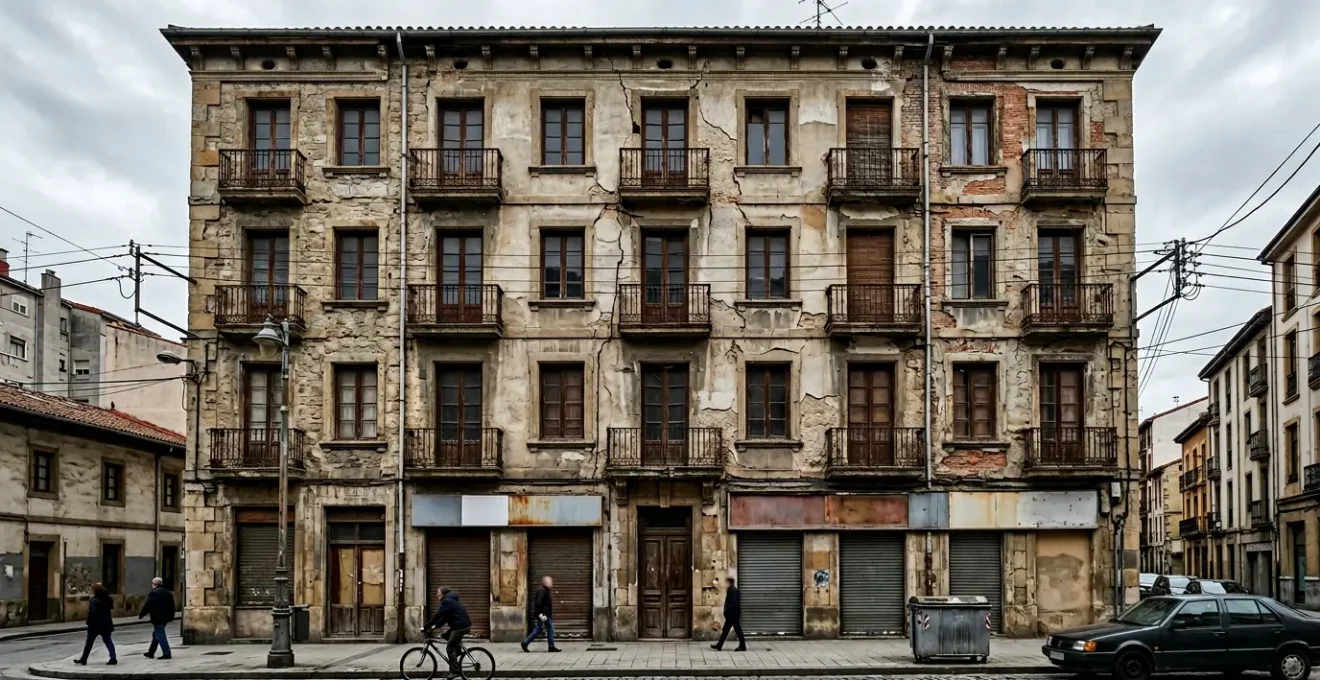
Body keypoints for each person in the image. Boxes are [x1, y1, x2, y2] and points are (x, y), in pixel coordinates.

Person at [424, 587, 471, 679]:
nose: (437, 595)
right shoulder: (450, 601)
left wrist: (425, 627)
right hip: (461, 625)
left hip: (460, 627)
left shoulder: (447, 601)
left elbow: (437, 615)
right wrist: (434, 627)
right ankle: (457, 652)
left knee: (449, 647)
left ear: (443, 594)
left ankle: (455, 671)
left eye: (438, 593)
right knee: (445, 635)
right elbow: (444, 618)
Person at [74, 583, 117, 665]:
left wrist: (88, 622)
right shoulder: (108, 599)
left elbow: (92, 612)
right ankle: (113, 658)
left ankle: (84, 659)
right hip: (106, 623)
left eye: (93, 589)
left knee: (89, 643)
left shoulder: (94, 600)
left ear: (95, 591)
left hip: (95, 624)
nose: (92, 591)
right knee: (108, 641)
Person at [521, 575, 560, 653]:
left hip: (546, 614)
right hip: (544, 615)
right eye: (550, 582)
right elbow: (538, 603)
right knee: (543, 629)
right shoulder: (541, 590)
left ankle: (551, 646)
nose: (551, 583)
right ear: (545, 582)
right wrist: (540, 614)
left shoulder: (545, 590)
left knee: (547, 629)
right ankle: (525, 643)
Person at [139, 577, 175, 659]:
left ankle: (166, 653)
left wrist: (142, 614)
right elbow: (172, 606)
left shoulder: (153, 593)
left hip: (157, 617)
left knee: (160, 634)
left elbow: (148, 605)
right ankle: (151, 652)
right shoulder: (168, 592)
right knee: (156, 634)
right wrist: (171, 616)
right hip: (166, 617)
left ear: (154, 584)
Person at [710, 576, 746, 652]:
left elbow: (734, 603)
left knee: (737, 630)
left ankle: (742, 646)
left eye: (726, 582)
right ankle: (719, 645)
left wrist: (729, 611)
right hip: (732, 614)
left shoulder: (733, 590)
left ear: (729, 583)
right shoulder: (731, 589)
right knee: (726, 630)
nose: (725, 584)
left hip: (733, 614)